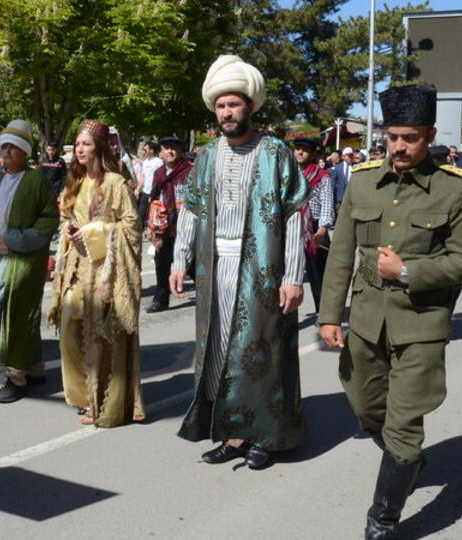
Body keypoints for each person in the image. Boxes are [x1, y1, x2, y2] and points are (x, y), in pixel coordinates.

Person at [319, 84, 462, 539]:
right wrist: (330, 315)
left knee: (405, 424)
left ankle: (383, 519)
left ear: (428, 134)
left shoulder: (454, 189)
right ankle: (403, 454)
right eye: (392, 137)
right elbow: (341, 253)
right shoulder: (363, 180)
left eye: (409, 137)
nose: (399, 147)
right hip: (367, 321)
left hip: (421, 325)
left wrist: (408, 270)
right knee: (367, 408)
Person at [170, 55, 309, 470]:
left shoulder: (276, 153)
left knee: (260, 351)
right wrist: (179, 262)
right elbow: (191, 211)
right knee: (217, 352)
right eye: (220, 106)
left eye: (234, 105)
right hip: (216, 270)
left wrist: (293, 276)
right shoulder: (208, 156)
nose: (227, 113)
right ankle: (232, 433)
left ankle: (265, 435)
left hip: (264, 271)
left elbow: (292, 216)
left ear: (249, 105)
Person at [48, 118, 145, 427]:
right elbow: (65, 217)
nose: (79, 149)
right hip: (78, 266)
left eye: (86, 144)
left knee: (102, 334)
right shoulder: (74, 181)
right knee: (68, 325)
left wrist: (93, 231)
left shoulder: (115, 182)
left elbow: (131, 225)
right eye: (77, 144)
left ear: (99, 148)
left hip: (107, 270)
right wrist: (71, 228)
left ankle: (101, 398)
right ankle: (81, 395)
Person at [0, 120, 59, 403]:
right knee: (20, 315)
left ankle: (16, 377)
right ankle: (35, 369)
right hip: (1, 261)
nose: (6, 153)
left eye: (13, 148)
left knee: (14, 316)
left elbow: (50, 219)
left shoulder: (36, 180)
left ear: (25, 152)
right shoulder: (0, 180)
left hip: (25, 262)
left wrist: (15, 239)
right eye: (3, 148)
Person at [145, 136, 192, 313]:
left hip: (187, 226)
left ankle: (209, 299)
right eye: (166, 148)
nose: (170, 151)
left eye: (174, 148)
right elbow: (153, 198)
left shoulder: (190, 171)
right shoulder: (158, 174)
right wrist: (152, 227)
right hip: (165, 226)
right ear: (161, 153)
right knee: (162, 263)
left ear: (180, 152)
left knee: (194, 264)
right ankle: (161, 300)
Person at [294, 137, 334, 312]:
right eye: (297, 149)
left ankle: (324, 311)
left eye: (304, 150)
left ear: (312, 154)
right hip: (292, 226)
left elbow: (327, 203)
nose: (300, 152)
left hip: (315, 228)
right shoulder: (288, 174)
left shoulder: (322, 176)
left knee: (319, 275)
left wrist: (322, 230)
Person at [137, 142, 163, 223]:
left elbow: (161, 177)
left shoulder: (158, 162)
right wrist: (138, 189)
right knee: (141, 213)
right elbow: (143, 177)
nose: (143, 152)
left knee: (153, 215)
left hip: (155, 193)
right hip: (145, 192)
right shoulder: (145, 162)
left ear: (151, 151)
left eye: (145, 150)